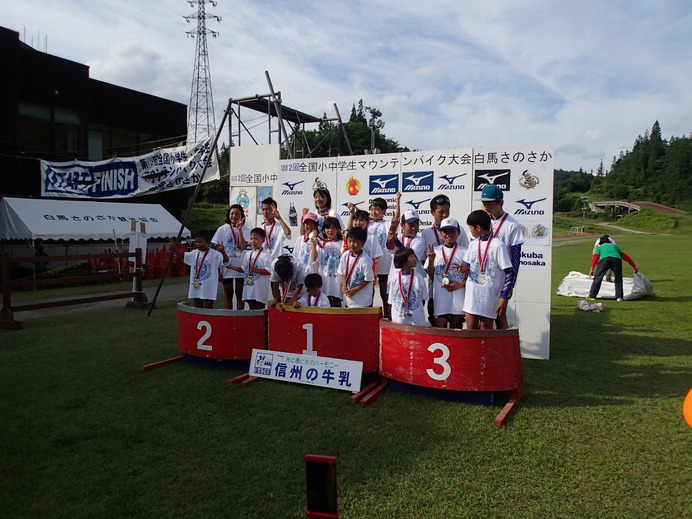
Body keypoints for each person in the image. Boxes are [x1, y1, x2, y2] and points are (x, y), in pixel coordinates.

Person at [479, 185, 523, 329]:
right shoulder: (482, 222)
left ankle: (502, 350)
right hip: (483, 277)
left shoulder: (512, 225)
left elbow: (515, 260)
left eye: (490, 203)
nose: (486, 206)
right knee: (484, 318)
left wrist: (509, 286)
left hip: (501, 279)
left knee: (499, 315)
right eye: (484, 202)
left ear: (500, 202)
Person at [461, 210, 514, 330]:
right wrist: (463, 269)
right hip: (472, 294)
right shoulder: (473, 244)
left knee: (486, 327)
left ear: (478, 228)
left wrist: (503, 297)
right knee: (471, 328)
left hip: (489, 295)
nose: (470, 231)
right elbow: (468, 266)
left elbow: (509, 273)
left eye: (471, 228)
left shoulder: (498, 245)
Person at [425, 217, 468, 329]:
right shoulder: (436, 251)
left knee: (456, 328)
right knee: (440, 329)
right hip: (440, 297)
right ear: (440, 233)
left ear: (458, 232)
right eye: (445, 231)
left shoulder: (465, 252)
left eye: (452, 231)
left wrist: (459, 285)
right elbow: (431, 275)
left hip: (458, 296)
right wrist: (430, 260)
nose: (449, 234)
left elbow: (471, 276)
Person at [170, 230, 228, 309]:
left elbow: (226, 261)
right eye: (196, 242)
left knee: (208, 307)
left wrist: (223, 251)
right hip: (196, 285)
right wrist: (174, 248)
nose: (198, 244)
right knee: (197, 307)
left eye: (201, 242)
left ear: (208, 242)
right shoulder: (194, 253)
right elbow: (184, 255)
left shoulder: (215, 254)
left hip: (209, 286)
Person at [212, 204, 250, 310]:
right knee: (228, 295)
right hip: (226, 267)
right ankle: (228, 317)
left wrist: (239, 229)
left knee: (240, 296)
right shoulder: (222, 229)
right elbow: (217, 251)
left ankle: (239, 318)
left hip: (240, 267)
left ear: (242, 215)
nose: (234, 216)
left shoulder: (246, 230)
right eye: (232, 213)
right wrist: (218, 269)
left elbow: (243, 246)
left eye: (237, 214)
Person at [226, 228, 273, 309]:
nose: (253, 241)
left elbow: (270, 270)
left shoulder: (265, 255)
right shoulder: (248, 254)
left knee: (259, 308)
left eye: (256, 239)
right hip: (249, 287)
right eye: (251, 239)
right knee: (251, 307)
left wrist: (258, 270)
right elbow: (244, 269)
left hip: (259, 288)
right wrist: (231, 267)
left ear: (263, 240)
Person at [589, 235, 638, 301]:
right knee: (618, 278)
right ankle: (619, 297)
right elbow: (626, 257)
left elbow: (595, 258)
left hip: (604, 260)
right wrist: (634, 266)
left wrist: (592, 269)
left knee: (598, 278)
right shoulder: (615, 246)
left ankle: (592, 296)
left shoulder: (599, 248)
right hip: (617, 260)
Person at [387, 247, 428, 326]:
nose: (415, 258)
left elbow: (423, 298)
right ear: (404, 262)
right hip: (398, 317)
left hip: (416, 318)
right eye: (411, 256)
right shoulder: (395, 278)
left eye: (414, 256)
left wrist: (414, 309)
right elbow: (391, 300)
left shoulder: (419, 277)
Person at [309, 216, 344, 307]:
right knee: (324, 304)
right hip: (324, 280)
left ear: (338, 229)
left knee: (337, 304)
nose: (330, 230)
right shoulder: (320, 243)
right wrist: (313, 243)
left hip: (337, 280)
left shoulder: (342, 243)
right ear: (323, 230)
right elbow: (313, 259)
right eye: (328, 227)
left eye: (333, 227)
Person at [338, 226, 374, 308]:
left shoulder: (365, 259)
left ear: (363, 243)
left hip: (362, 300)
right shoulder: (345, 255)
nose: (351, 244)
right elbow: (342, 272)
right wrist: (343, 286)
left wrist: (355, 290)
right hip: (349, 299)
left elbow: (368, 279)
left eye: (355, 242)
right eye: (349, 241)